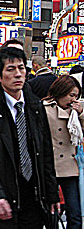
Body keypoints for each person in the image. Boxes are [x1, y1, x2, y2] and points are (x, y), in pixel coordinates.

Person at [0, 47, 60, 229]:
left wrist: (51, 193)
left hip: (32, 198)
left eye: (21, 68)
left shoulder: (35, 107)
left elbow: (46, 152)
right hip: (1, 196)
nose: (18, 74)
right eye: (11, 69)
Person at [43, 75, 84, 229]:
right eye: (71, 95)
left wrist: (81, 114)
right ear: (61, 92)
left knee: (75, 213)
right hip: (50, 167)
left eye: (76, 96)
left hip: (71, 167)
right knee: (51, 213)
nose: (74, 100)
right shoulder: (44, 109)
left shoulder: (77, 112)